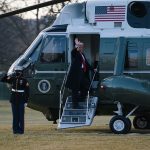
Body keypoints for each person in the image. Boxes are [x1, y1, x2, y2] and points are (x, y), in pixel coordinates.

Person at [66, 38, 96, 109]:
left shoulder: (82, 54)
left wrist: (93, 69)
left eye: (82, 47)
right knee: (75, 90)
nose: (82, 48)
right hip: (75, 75)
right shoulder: (75, 53)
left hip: (82, 74)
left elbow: (87, 64)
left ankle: (80, 99)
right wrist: (77, 46)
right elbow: (73, 52)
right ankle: (75, 105)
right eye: (80, 47)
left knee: (87, 86)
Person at [1, 66, 29, 134]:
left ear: (21, 72)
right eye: (16, 71)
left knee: (21, 116)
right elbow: (2, 80)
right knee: (15, 115)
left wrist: (26, 101)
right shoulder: (12, 78)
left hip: (21, 99)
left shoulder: (24, 80)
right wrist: (7, 75)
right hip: (13, 99)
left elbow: (27, 91)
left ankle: (21, 130)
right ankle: (15, 130)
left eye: (18, 71)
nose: (17, 73)